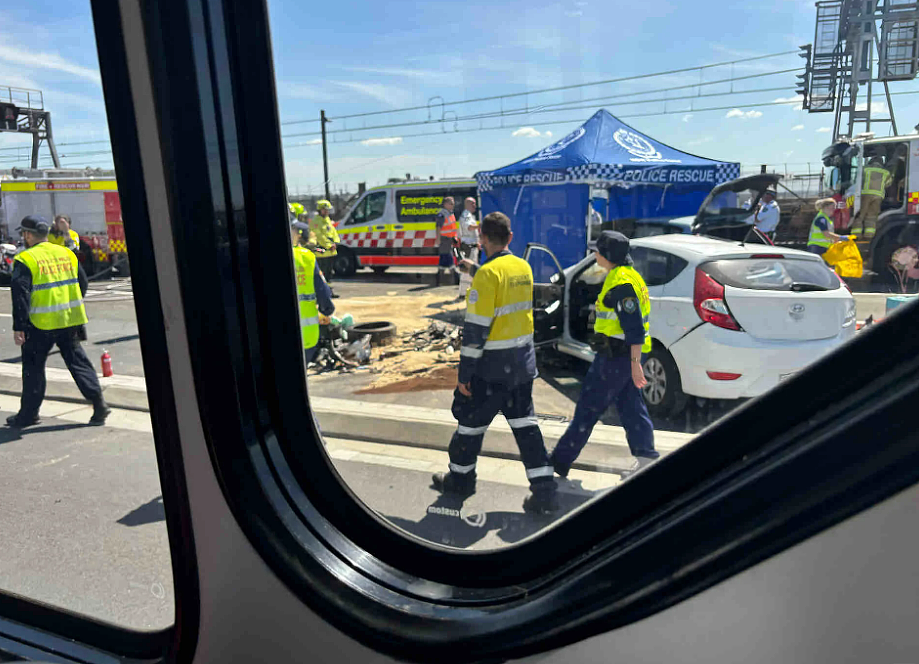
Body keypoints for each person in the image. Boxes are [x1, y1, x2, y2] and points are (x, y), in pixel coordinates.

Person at [433, 211, 558, 514]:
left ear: (482, 239)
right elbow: (504, 288)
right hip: (522, 367)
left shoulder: (486, 277)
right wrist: (476, 269)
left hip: (491, 372)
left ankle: (461, 482)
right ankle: (545, 493)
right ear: (510, 238)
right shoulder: (523, 267)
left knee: (470, 428)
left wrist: (464, 375)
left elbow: (475, 330)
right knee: (527, 430)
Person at [549, 231, 658, 479]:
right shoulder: (627, 276)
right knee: (631, 408)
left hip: (616, 359)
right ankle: (647, 458)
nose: (594, 254)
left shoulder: (622, 283)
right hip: (622, 357)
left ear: (607, 255)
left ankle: (558, 461)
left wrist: (634, 365)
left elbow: (634, 329)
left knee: (588, 407)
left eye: (597, 251)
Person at [7, 215, 110, 427]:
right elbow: (82, 283)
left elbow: (21, 295)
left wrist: (19, 326)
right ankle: (99, 404)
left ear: (27, 235)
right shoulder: (66, 253)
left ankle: (28, 414)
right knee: (77, 362)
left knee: (33, 368)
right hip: (69, 320)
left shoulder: (26, 259)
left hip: (40, 323)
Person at [291, 221, 334, 364]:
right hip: (318, 255)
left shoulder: (325, 225)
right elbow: (317, 249)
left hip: (323, 254)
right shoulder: (308, 248)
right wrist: (326, 250)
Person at [851, 157, 891, 240]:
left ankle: (856, 235)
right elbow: (888, 184)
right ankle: (869, 235)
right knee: (872, 216)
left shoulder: (865, 169)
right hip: (878, 196)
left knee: (860, 215)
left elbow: (857, 181)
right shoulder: (886, 172)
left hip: (865, 194)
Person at [309, 200, 341, 296]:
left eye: (328, 210)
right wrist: (329, 245)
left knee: (329, 274)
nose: (327, 211)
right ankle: (321, 293)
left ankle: (329, 292)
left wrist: (336, 242)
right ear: (320, 210)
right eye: (325, 210)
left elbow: (334, 233)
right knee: (321, 273)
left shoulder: (328, 220)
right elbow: (319, 236)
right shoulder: (315, 222)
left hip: (330, 252)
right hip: (321, 252)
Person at [457, 197, 479, 300]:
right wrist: (480, 226)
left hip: (472, 246)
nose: (475, 205)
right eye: (473, 204)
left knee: (471, 270)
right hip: (469, 247)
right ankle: (463, 294)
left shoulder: (470, 215)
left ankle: (466, 293)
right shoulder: (466, 215)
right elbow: (469, 227)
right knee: (467, 270)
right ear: (467, 204)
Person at [435, 196, 458, 287]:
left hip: (449, 239)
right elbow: (438, 227)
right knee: (448, 257)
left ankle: (438, 279)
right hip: (444, 239)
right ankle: (456, 277)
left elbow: (452, 227)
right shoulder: (442, 214)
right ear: (445, 204)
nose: (453, 205)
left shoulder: (450, 213)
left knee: (443, 259)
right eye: (451, 203)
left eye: (453, 203)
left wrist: (454, 237)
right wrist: (438, 239)